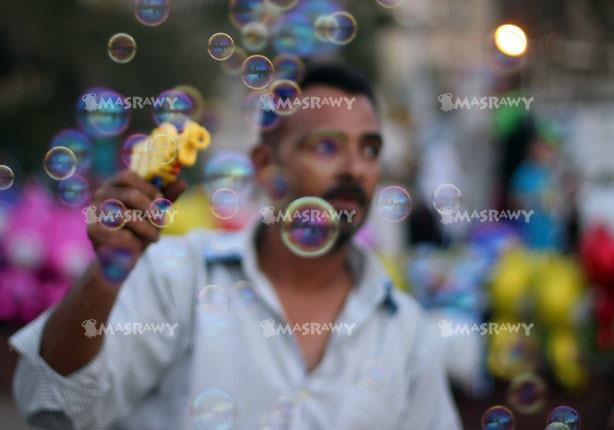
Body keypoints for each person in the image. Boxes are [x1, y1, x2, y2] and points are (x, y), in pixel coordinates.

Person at [10, 63, 461, 429]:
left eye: (370, 149)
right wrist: (106, 273)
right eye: (327, 146)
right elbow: (53, 407)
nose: (355, 169)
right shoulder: (178, 276)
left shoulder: (408, 334)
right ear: (266, 167)